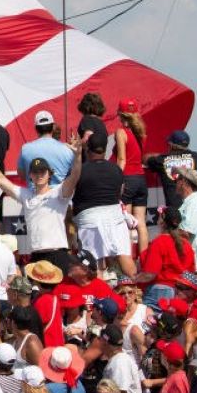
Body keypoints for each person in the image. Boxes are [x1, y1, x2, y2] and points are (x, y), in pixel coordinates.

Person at [0, 135, 81, 276]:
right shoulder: (25, 194)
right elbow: (0, 180)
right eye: (35, 172)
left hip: (57, 255)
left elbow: (74, 177)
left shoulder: (59, 193)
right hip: (35, 257)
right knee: (36, 297)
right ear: (30, 175)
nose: (39, 175)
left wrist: (78, 156)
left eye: (42, 171)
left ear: (50, 174)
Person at [72, 133, 135, 278]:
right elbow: (120, 192)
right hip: (115, 217)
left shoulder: (80, 170)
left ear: (88, 148)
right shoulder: (116, 169)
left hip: (89, 220)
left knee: (95, 263)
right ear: (105, 149)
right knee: (124, 256)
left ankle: (100, 297)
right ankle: (136, 288)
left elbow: (70, 192)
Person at [113, 99, 150, 252]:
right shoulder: (141, 133)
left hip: (127, 179)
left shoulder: (121, 132)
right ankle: (145, 261)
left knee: (126, 223)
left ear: (120, 115)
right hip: (141, 179)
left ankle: (128, 264)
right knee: (140, 223)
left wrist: (116, 179)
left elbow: (122, 159)